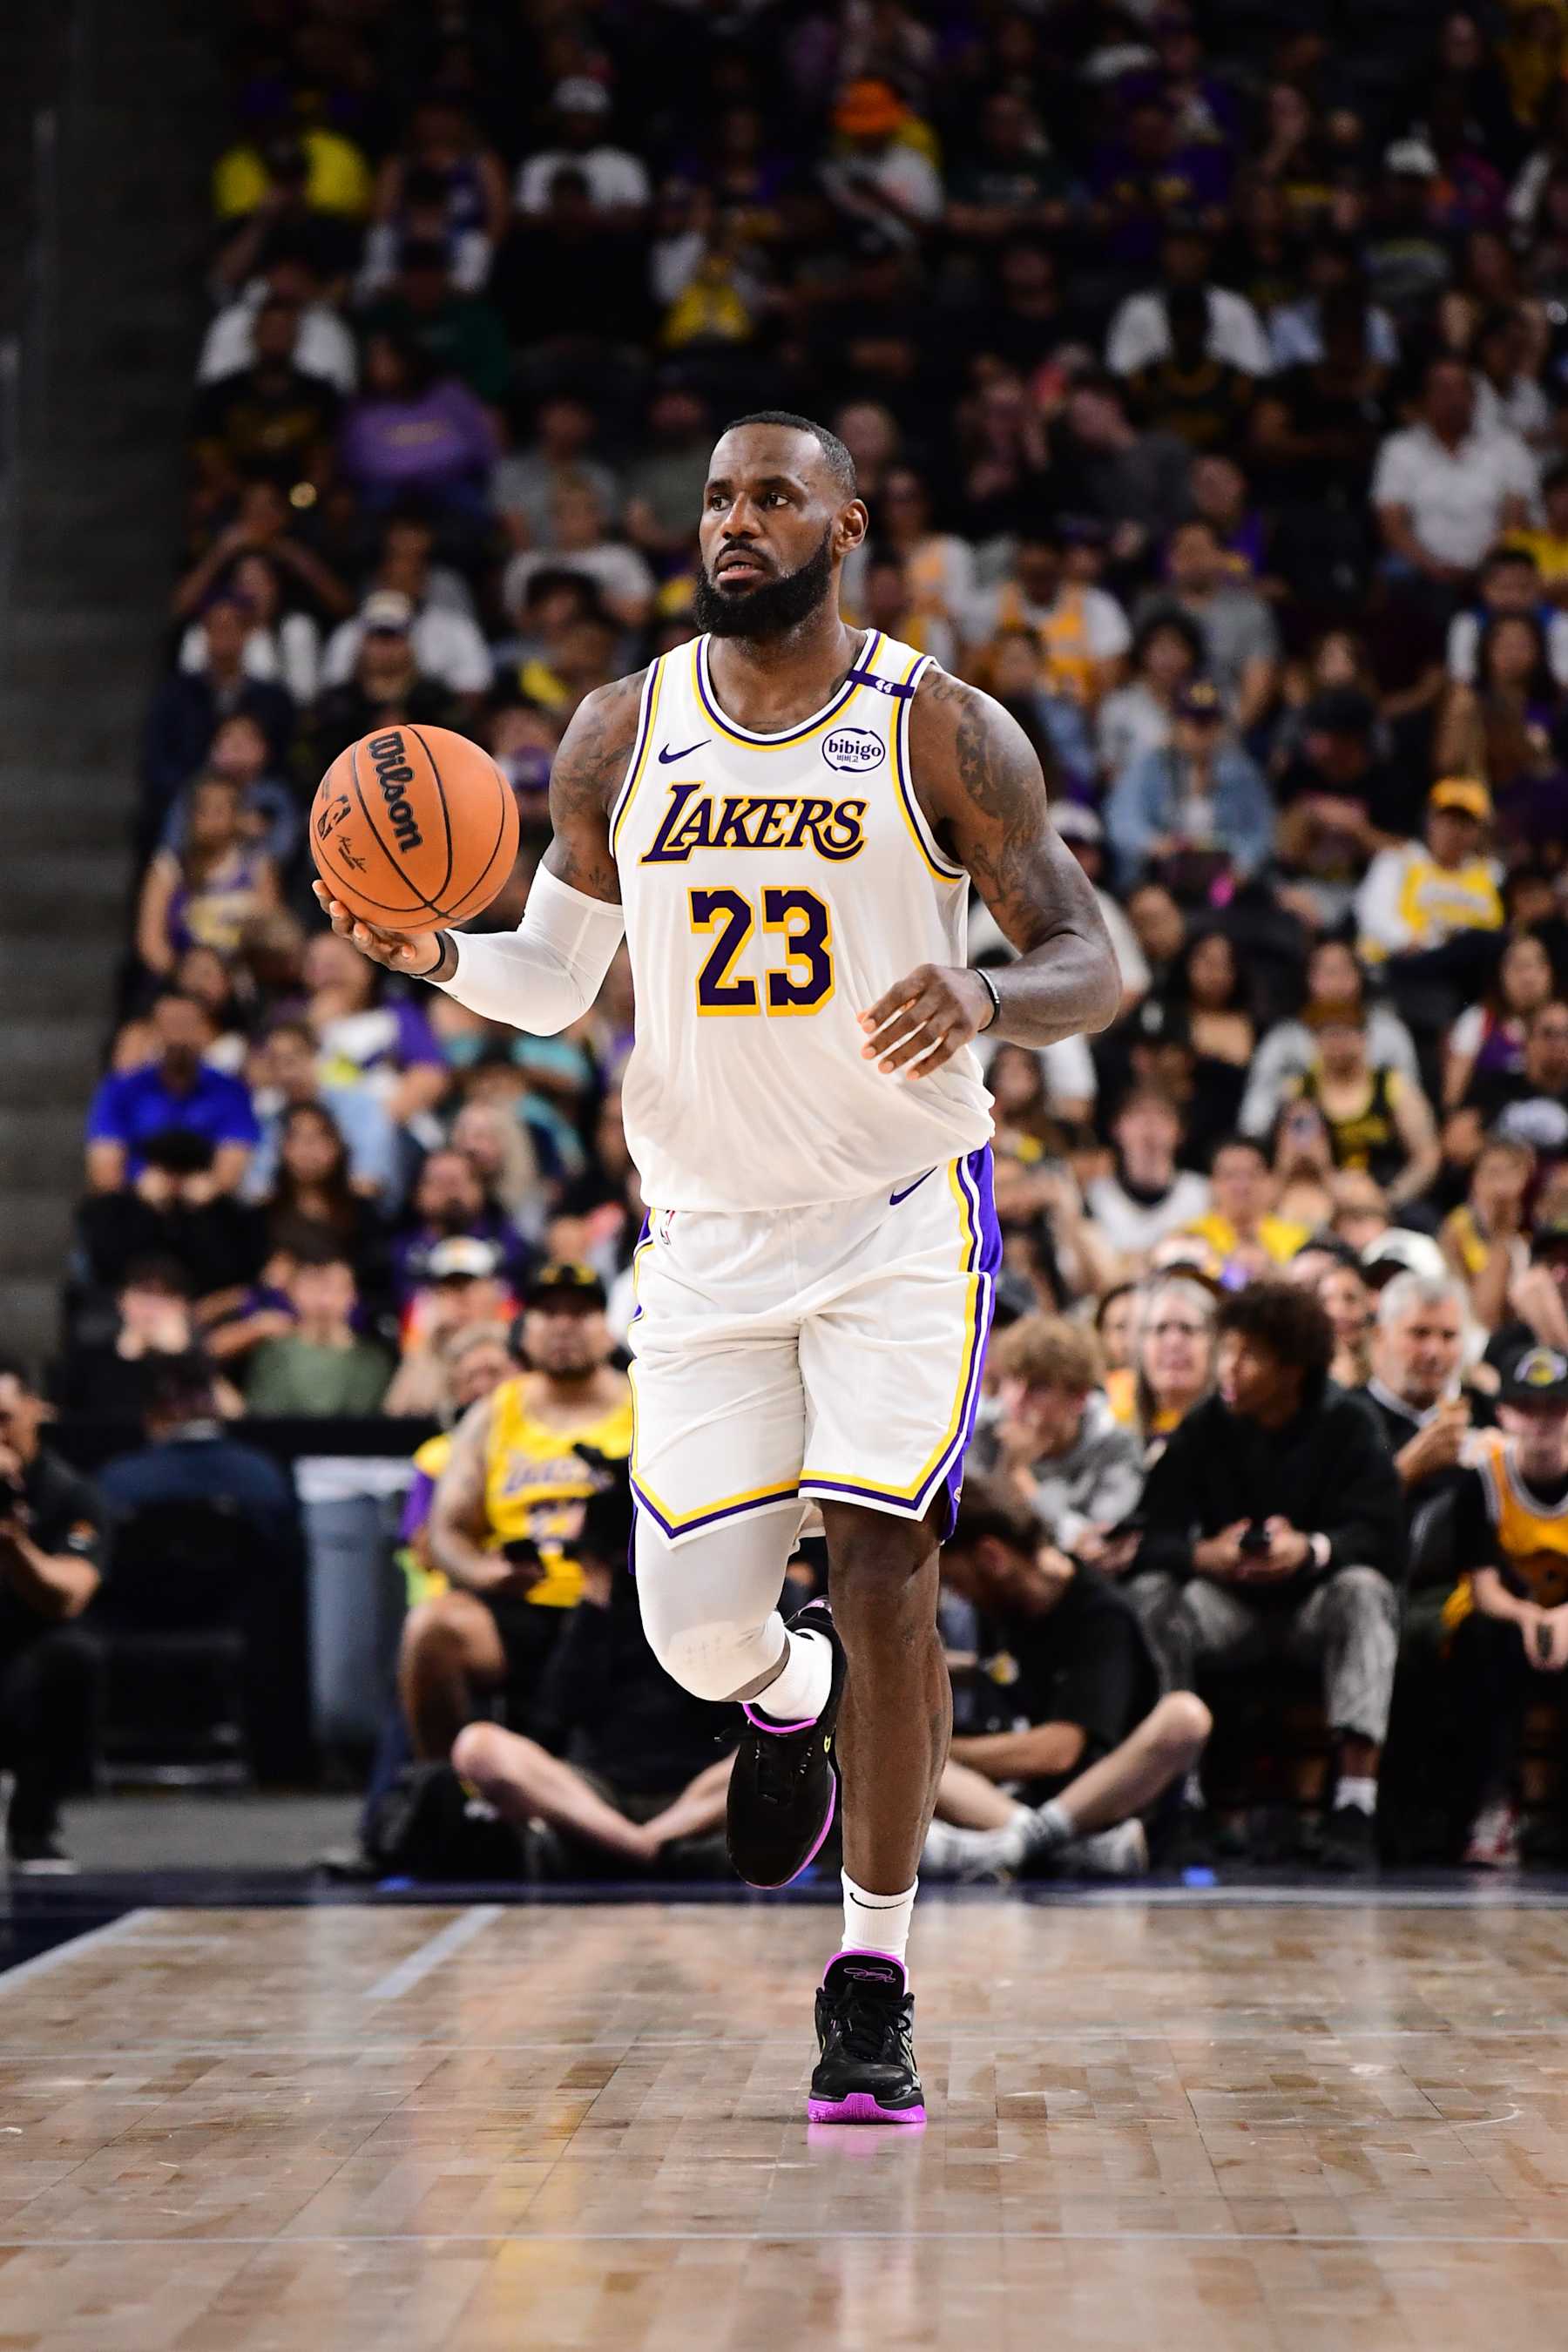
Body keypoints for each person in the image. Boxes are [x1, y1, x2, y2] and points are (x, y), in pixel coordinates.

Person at [314, 408, 1119, 2126]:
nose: (733, 523)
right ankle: (789, 1695)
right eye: (715, 500)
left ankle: (873, 1979)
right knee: (697, 1642)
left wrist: (987, 994)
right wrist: (432, 946)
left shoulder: (940, 731)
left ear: (848, 525)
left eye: (772, 498)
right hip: (702, 1241)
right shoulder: (623, 732)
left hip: (905, 1218)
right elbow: (553, 977)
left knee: (891, 1561)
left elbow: (1088, 953)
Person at [1132, 1281, 1405, 1870]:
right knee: (1154, 1596)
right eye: (1226, 1350)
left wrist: (1310, 1549)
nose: (1227, 1367)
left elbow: (1385, 1537)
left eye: (1246, 1355)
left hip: (1314, 1608)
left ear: (1291, 1368)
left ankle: (1355, 1805)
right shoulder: (1205, 1426)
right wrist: (1204, 1555)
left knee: (1366, 1592)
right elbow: (1148, 1536)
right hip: (1230, 1606)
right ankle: (1182, 1796)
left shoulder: (1350, 1424)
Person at [451, 1455, 740, 1878]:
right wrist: (594, 1607)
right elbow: (555, 1715)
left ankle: (631, 1848)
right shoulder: (594, 1614)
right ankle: (648, 1852)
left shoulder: (719, 1599)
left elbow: (741, 1709)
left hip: (699, 1793)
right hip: (596, 1794)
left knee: (794, 1748)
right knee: (478, 1747)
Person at [920, 1474, 1212, 1882]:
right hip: (1020, 1804)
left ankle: (1011, 1846)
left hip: (1095, 1804)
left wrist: (944, 1748)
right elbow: (1000, 1676)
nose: (958, 1595)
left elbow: (1058, 1751)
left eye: (955, 1580)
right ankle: (1046, 1847)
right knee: (898, 1746)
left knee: (1186, 1716)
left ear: (992, 1557)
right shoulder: (1002, 1610)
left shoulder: (1101, 1616)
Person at [400, 1262, 632, 1758]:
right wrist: (486, 1573)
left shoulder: (649, 1401)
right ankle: (447, 1791)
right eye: (548, 1312)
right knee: (431, 1630)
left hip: (628, 1606)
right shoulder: (495, 1411)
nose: (564, 1324)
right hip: (522, 1601)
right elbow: (447, 1530)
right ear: (524, 1330)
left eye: (581, 1312)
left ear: (608, 1328)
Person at [1437, 1345, 1568, 1865]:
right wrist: (1532, 1618)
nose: (1541, 1421)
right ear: (1506, 1413)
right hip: (1504, 1616)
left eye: (1555, 1407)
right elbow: (1486, 1586)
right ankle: (1493, 1805)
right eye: (1528, 1408)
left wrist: (1562, 1618)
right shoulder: (1484, 1479)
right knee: (1487, 1647)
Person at [0, 1358, 108, 1871]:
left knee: (74, 1655)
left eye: (2, 1418)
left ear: (34, 1412)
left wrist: (13, 1545)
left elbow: (69, 1594)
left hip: (25, 1653)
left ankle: (33, 1826)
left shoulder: (72, 1494)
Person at [975, 1315, 1143, 1553]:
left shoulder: (1115, 1446)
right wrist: (1005, 1467)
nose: (1017, 1400)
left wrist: (1023, 1482)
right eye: (1013, 1380)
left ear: (1079, 1397)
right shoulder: (982, 1433)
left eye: (1038, 1386)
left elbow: (1098, 1543)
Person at [84, 989, 260, 1196]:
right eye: (169, 1024)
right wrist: (138, 1177)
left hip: (208, 1206)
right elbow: (104, 1170)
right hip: (136, 1202)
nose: (177, 1035)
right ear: (153, 1032)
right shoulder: (121, 1090)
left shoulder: (231, 1091)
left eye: (186, 1024)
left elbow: (231, 1168)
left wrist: (208, 1184)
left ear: (206, 1030)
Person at [242, 1237, 392, 1416]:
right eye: (314, 1287)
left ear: (353, 1295)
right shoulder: (274, 1354)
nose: (324, 1300)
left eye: (336, 1288)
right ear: (292, 1293)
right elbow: (262, 1417)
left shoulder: (373, 1359)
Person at [1085, 1088, 1210, 1265]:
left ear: (1180, 1132)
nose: (1149, 1126)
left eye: (1162, 1116)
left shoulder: (1202, 1194)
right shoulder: (1094, 1195)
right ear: (1116, 1128)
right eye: (1137, 1115)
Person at [1183, 1134, 1311, 1279]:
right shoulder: (1190, 1238)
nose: (1241, 1185)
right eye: (1230, 1175)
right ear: (1212, 1183)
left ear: (1269, 1181)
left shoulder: (1298, 1241)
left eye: (1251, 1174)